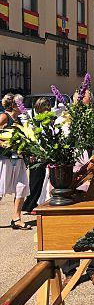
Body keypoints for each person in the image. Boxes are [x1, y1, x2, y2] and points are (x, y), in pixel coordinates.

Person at [61, 89, 94, 288]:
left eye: (87, 97)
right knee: (71, 225)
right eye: (81, 97)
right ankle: (71, 271)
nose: (84, 100)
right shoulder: (65, 123)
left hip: (93, 181)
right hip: (71, 180)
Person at [0, 93, 31, 230]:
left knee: (22, 187)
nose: (22, 106)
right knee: (0, 191)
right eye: (20, 104)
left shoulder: (19, 120)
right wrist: (3, 144)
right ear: (13, 105)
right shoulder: (4, 117)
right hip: (5, 159)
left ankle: (16, 219)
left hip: (18, 158)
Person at [22, 97, 52, 215]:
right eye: (46, 106)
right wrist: (31, 153)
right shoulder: (33, 122)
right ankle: (30, 205)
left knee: (43, 181)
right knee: (35, 181)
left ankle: (37, 203)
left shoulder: (49, 120)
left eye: (49, 105)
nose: (48, 108)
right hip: (36, 155)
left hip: (46, 153)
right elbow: (29, 139)